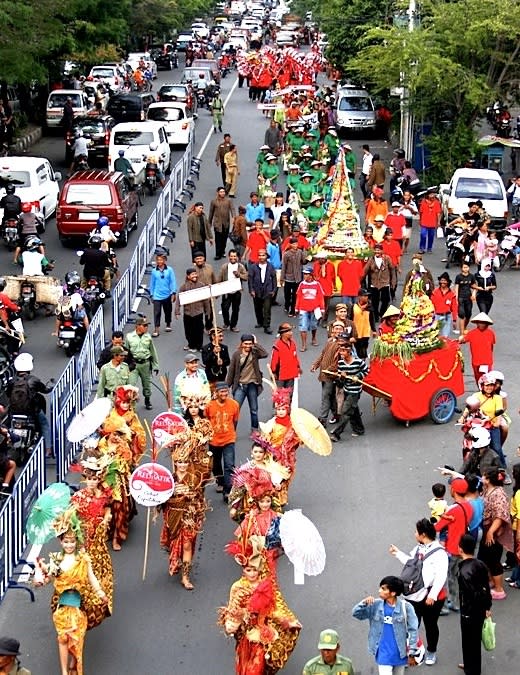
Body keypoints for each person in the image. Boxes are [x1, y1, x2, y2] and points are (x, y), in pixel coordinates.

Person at [33, 512, 108, 675]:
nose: (69, 545)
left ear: (77, 541)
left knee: (77, 639)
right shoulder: (56, 560)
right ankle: (64, 672)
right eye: (66, 542)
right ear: (60, 541)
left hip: (79, 607)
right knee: (63, 638)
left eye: (72, 541)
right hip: (62, 607)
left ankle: (74, 664)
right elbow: (46, 580)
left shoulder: (83, 559)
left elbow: (92, 577)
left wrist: (101, 593)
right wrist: (39, 579)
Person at [389, 518, 449, 667]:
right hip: (413, 595)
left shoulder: (440, 553)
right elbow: (411, 563)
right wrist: (397, 553)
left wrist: (432, 595)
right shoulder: (418, 548)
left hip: (430, 598)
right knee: (411, 626)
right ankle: (411, 653)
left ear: (422, 534)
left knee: (430, 625)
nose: (414, 534)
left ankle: (431, 651)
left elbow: (441, 575)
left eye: (416, 531)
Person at [352, 575, 420, 674]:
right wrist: (363, 603)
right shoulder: (375, 605)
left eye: (383, 589)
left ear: (393, 593)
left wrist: (412, 653)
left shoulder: (406, 607)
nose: (379, 591)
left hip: (400, 653)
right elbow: (356, 614)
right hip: (383, 654)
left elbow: (413, 630)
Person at [434, 477, 473, 612]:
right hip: (461, 548)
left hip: (450, 548)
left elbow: (437, 527)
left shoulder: (452, 510)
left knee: (443, 576)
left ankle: (443, 607)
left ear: (453, 490)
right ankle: (455, 603)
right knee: (455, 576)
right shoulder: (469, 506)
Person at [457, 534, 492, 675]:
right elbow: (486, 587)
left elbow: (473, 594)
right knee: (475, 642)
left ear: (460, 549)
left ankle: (471, 670)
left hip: (469, 612)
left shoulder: (464, 571)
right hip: (480, 611)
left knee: (468, 641)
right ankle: (470, 665)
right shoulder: (480, 564)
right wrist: (487, 607)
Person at [478, 467, 514, 600]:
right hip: (487, 528)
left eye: (483, 476)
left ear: (488, 480)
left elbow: (499, 516)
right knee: (485, 557)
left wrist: (491, 532)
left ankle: (499, 589)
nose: (481, 478)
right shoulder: (488, 489)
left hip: (493, 532)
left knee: (493, 560)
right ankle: (492, 580)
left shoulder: (498, 494)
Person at [8, 353, 53, 459]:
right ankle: (48, 450)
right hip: (31, 411)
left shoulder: (12, 380)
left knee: (9, 426)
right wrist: (50, 387)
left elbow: (8, 394)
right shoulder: (34, 379)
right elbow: (45, 390)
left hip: (14, 412)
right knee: (44, 425)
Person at [205, 382, 239, 500]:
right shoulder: (209, 406)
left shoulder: (234, 405)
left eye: (226, 391)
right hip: (214, 440)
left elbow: (235, 421)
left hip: (229, 439)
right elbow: (206, 421)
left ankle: (227, 490)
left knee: (229, 465)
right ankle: (220, 481)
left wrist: (231, 433)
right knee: (215, 464)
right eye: (222, 392)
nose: (224, 394)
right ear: (216, 393)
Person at [227, 334, 267, 432]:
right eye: (246, 343)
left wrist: (256, 344)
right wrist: (226, 386)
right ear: (241, 343)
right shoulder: (237, 354)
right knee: (235, 410)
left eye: (250, 343)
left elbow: (265, 354)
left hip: (252, 385)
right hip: (240, 386)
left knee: (254, 410)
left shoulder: (255, 352)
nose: (248, 346)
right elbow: (231, 371)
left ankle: (254, 429)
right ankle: (232, 431)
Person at [330, 342, 368, 441]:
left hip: (355, 392)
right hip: (346, 390)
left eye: (343, 351)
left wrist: (358, 376)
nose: (341, 353)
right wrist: (342, 377)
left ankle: (336, 434)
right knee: (353, 410)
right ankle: (359, 429)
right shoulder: (341, 363)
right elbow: (340, 382)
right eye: (340, 350)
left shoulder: (358, 362)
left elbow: (366, 370)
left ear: (349, 351)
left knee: (346, 412)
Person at [124, 317, 159, 410]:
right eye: (144, 325)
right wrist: (125, 366)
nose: (146, 327)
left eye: (147, 325)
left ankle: (147, 400)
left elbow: (153, 351)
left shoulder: (148, 337)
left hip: (145, 364)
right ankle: (131, 404)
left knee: (147, 385)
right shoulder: (129, 337)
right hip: (134, 364)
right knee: (131, 384)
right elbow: (125, 352)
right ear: (137, 326)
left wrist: (155, 365)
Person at [174, 267, 211, 352]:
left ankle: (199, 346)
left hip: (198, 313)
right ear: (188, 276)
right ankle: (191, 345)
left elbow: (205, 300)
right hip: (188, 313)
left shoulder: (201, 286)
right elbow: (179, 299)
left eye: (195, 274)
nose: (195, 276)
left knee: (198, 329)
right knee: (188, 330)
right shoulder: (184, 287)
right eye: (192, 274)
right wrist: (177, 311)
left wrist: (207, 311)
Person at [458, 312, 496, 385]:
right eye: (479, 322)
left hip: (486, 361)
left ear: (487, 323)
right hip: (475, 361)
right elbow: (463, 340)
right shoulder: (472, 333)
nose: (481, 324)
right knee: (478, 378)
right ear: (477, 323)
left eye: (483, 323)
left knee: (487, 379)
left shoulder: (491, 333)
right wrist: (460, 339)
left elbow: (491, 347)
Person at [363, 244, 397, 322]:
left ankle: (382, 313)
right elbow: (365, 271)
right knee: (375, 301)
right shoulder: (371, 259)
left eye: (378, 250)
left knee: (386, 300)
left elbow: (392, 270)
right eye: (375, 250)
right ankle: (375, 316)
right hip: (374, 283)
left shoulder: (387, 258)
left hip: (385, 282)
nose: (377, 252)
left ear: (382, 251)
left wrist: (393, 282)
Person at [295, 267, 325, 352]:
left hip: (315, 309)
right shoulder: (301, 284)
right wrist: (296, 308)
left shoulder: (317, 284)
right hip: (303, 309)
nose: (305, 276)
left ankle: (313, 337)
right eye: (304, 274)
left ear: (311, 275)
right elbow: (299, 297)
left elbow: (320, 297)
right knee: (303, 326)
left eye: (307, 274)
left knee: (313, 325)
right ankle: (304, 344)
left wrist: (322, 309)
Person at [248, 249, 277, 334]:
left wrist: (274, 290)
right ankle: (260, 322)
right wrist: (251, 290)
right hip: (257, 291)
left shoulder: (270, 266)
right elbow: (250, 279)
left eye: (263, 255)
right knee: (257, 308)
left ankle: (266, 326)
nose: (261, 257)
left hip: (267, 290)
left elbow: (274, 278)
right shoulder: (253, 267)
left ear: (266, 257)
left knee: (267, 309)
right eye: (259, 255)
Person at [218, 249, 248, 332]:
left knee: (235, 309)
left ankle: (233, 325)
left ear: (237, 257)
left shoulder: (241, 267)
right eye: (231, 256)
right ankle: (226, 323)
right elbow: (219, 279)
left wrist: (239, 275)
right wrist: (217, 291)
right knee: (224, 308)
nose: (233, 258)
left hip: (237, 292)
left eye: (234, 256)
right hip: (227, 292)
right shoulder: (224, 267)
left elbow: (246, 277)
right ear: (228, 257)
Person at [149, 254, 177, 337]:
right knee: (157, 312)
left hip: (167, 295)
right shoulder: (154, 271)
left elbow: (173, 281)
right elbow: (152, 283)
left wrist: (173, 292)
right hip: (157, 295)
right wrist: (151, 294)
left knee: (168, 311)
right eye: (158, 260)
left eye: (161, 260)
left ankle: (168, 324)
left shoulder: (169, 270)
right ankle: (156, 328)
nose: (159, 262)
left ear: (165, 261)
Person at [270, 322, 301, 392]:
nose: (291, 333)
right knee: (279, 397)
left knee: (289, 395)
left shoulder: (293, 343)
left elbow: (295, 356)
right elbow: (274, 361)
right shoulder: (277, 346)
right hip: (280, 376)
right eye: (289, 331)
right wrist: (273, 373)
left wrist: (298, 367)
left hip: (291, 374)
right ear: (283, 333)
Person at [280, 237, 306, 317]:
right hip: (289, 277)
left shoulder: (300, 252)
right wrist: (282, 278)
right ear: (290, 245)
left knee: (296, 294)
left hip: (297, 277)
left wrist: (306, 256)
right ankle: (287, 305)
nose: (295, 245)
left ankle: (293, 310)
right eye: (293, 244)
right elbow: (284, 266)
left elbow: (303, 261)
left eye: (296, 244)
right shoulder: (287, 254)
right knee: (287, 294)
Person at [209, 186, 235, 260]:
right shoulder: (214, 201)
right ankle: (218, 254)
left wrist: (233, 217)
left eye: (223, 192)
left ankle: (223, 250)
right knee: (218, 239)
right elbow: (211, 212)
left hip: (226, 223)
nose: (222, 193)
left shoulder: (228, 201)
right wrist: (209, 222)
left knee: (224, 239)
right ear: (218, 193)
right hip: (217, 223)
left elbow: (232, 209)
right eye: (221, 192)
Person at [201, 327, 230, 392]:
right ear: (213, 336)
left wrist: (222, 362)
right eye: (219, 336)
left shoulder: (224, 347)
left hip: (221, 377)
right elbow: (205, 361)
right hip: (211, 377)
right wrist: (213, 353)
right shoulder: (206, 348)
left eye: (222, 336)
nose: (222, 338)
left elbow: (228, 361)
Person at [431, 272, 457, 337]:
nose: (443, 282)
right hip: (436, 316)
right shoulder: (435, 292)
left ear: (448, 282)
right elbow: (431, 305)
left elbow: (454, 307)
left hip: (447, 317)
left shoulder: (452, 294)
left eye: (445, 280)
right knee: (435, 336)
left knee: (445, 338)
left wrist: (454, 320)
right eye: (442, 280)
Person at [312, 252, 336, 324]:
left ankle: (324, 320)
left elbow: (333, 276)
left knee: (326, 306)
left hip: (327, 288)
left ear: (325, 259)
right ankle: (317, 319)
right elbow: (314, 275)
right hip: (318, 288)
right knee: (317, 305)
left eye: (322, 259)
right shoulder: (316, 264)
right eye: (319, 258)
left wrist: (334, 286)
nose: (320, 260)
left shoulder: (331, 265)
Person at [454, 262, 476, 335]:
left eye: (467, 267)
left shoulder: (471, 276)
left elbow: (475, 286)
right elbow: (456, 287)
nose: (465, 269)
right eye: (464, 267)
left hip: (468, 297)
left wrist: (474, 294)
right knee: (461, 314)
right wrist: (456, 297)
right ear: (461, 268)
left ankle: (465, 327)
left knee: (469, 314)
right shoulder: (458, 277)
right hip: (461, 297)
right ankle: (461, 333)